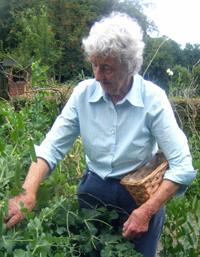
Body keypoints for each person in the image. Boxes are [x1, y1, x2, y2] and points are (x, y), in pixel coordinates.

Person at [5, 12, 197, 257]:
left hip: (139, 197)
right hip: (92, 192)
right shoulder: (83, 94)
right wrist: (27, 192)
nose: (97, 75)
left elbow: (182, 166)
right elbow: (51, 147)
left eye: (106, 68)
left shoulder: (153, 99)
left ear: (130, 66)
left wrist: (146, 212)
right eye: (94, 64)